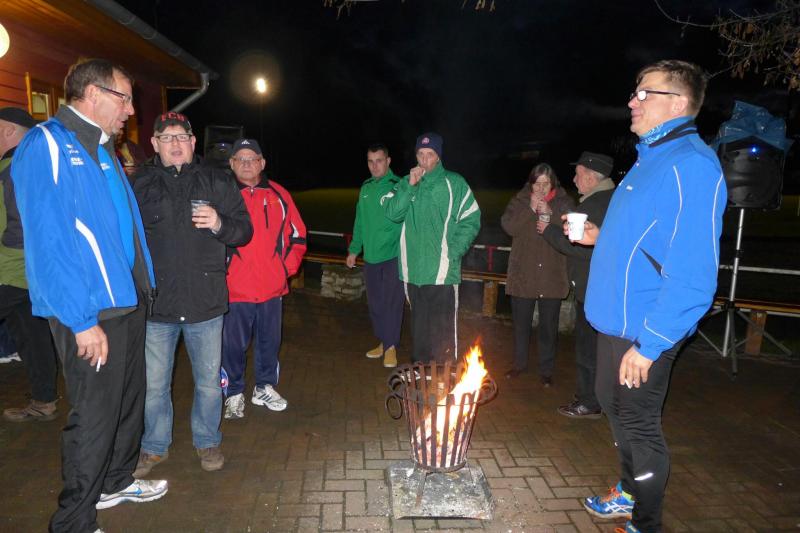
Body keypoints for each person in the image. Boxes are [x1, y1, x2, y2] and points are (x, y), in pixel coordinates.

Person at [12, 58, 166, 532]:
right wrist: (81, 320)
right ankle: (73, 521)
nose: (131, 111)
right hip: (91, 309)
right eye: (125, 99)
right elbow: (49, 241)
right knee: (95, 416)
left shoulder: (103, 148)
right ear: (93, 93)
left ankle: (115, 482)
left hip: (127, 300)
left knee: (127, 403)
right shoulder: (47, 144)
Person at [579, 60, 726, 533]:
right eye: (634, 92)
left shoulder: (691, 166)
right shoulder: (649, 159)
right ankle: (628, 491)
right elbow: (644, 239)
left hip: (646, 324)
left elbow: (694, 274)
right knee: (610, 402)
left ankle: (646, 522)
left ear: (678, 104)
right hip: (615, 319)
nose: (632, 101)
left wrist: (651, 343)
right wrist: (598, 237)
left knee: (638, 424)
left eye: (645, 94)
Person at [132, 112, 253, 476]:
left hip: (205, 302)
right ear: (155, 143)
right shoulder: (139, 184)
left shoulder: (217, 180)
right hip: (158, 304)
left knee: (208, 383)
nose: (175, 144)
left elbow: (244, 231)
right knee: (155, 385)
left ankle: (207, 441)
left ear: (193, 142)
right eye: (167, 137)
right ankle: (154, 446)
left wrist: (219, 223)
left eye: (182, 137)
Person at [221, 139, 306, 419]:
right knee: (232, 346)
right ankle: (233, 393)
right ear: (232, 163)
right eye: (241, 159)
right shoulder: (222, 195)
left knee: (269, 342)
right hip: (235, 289)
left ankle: (264, 387)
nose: (247, 164)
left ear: (262, 163)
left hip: (271, 288)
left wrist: (284, 270)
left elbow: (298, 235)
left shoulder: (279, 194)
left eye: (252, 158)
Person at [384, 132, 480, 364]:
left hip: (442, 273)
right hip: (413, 272)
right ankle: (420, 372)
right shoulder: (405, 183)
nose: (425, 160)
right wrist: (410, 186)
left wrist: (453, 252)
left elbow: (471, 218)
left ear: (438, 157)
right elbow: (392, 213)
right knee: (420, 331)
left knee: (443, 333)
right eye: (421, 154)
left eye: (430, 154)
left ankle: (444, 376)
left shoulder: (454, 183)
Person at [539, 151, 615, 417]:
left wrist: (547, 230)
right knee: (601, 348)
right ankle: (600, 398)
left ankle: (588, 402)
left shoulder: (594, 205)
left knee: (587, 348)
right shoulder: (613, 199)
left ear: (592, 177)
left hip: (592, 288)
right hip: (606, 287)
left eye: (578, 174)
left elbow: (577, 246)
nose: (574, 179)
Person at [0, 106, 60, 422]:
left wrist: (9, 253)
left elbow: (20, 224)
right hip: (29, 272)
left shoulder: (13, 167)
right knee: (33, 336)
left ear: (8, 130)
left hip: (9, 269)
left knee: (33, 335)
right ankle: (44, 401)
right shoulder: (31, 162)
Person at [501, 163, 573, 386]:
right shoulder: (520, 200)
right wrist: (530, 209)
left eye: (546, 183)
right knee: (521, 325)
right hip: (524, 274)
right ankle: (519, 364)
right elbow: (509, 227)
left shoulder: (563, 202)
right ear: (530, 184)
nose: (541, 188)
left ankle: (546, 370)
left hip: (551, 275)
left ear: (553, 184)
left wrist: (551, 214)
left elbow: (573, 229)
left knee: (548, 327)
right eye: (537, 183)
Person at [346, 143, 405, 368]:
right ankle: (384, 341)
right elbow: (360, 221)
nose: (375, 166)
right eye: (370, 161)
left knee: (392, 303)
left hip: (392, 256)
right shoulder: (366, 188)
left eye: (379, 161)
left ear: (388, 161)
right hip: (370, 257)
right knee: (376, 305)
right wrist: (354, 250)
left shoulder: (398, 185)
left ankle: (391, 347)